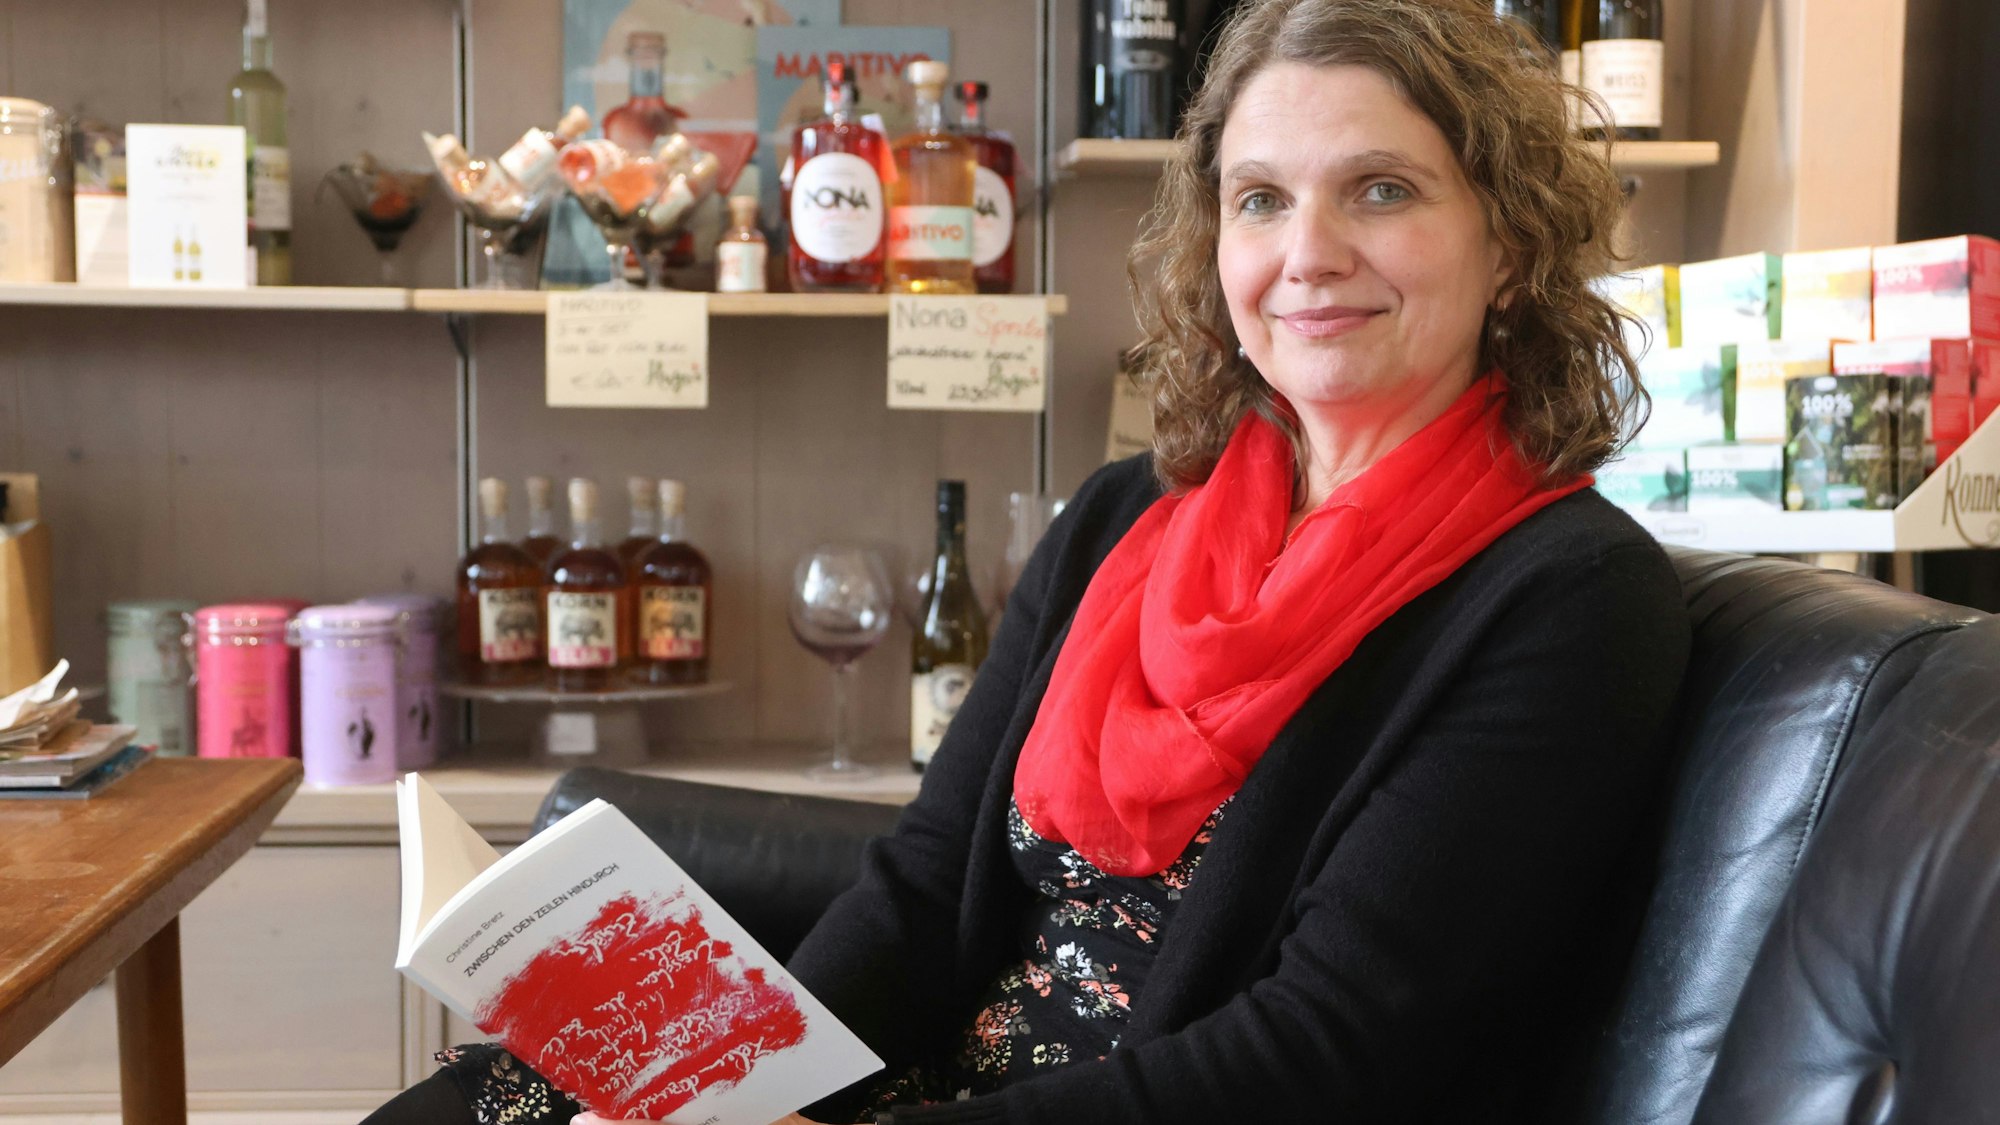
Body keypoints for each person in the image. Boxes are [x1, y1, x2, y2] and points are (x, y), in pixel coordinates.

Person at [364, 1, 1688, 1122]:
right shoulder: (1127, 517)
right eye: (1261, 199)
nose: (1307, 255)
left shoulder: (1567, 596)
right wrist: (751, 1088)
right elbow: (930, 876)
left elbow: (1330, 1049)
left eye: (1382, 191)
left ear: (1510, 247)